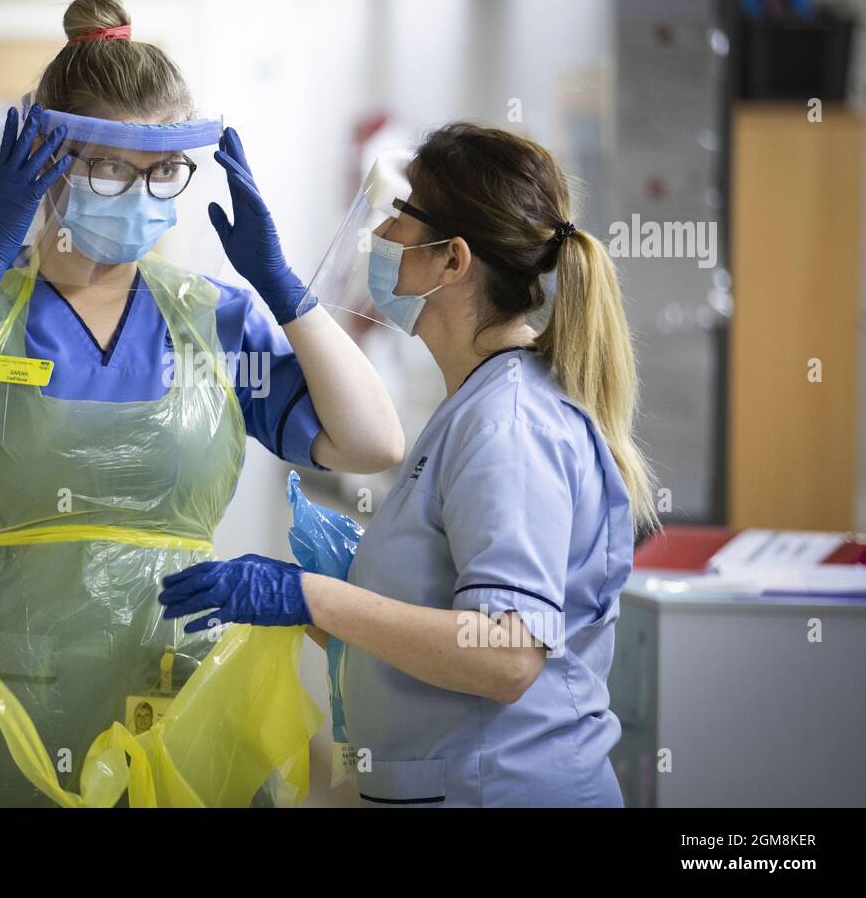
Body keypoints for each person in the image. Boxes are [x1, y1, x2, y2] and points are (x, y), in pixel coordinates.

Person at [0, 0, 403, 806]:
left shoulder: (213, 317)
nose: (141, 191)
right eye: (110, 166)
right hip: (2, 707)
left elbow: (372, 443)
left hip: (180, 703)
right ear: (43, 161)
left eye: (163, 170)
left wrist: (285, 290)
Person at [160, 121, 658, 807]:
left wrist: (312, 596)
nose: (381, 235)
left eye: (400, 214)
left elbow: (506, 653)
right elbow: (437, 622)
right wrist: (314, 600)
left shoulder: (508, 423)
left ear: (452, 260)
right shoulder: (477, 404)